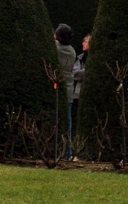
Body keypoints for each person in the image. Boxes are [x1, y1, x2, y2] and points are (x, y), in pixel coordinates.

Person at [54, 24, 77, 157]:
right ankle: (68, 152)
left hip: (57, 87)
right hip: (69, 89)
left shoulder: (55, 48)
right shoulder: (72, 51)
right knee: (68, 122)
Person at [71, 34, 90, 132]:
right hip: (78, 93)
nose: (83, 43)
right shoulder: (80, 58)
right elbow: (74, 74)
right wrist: (87, 71)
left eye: (85, 42)